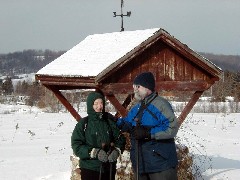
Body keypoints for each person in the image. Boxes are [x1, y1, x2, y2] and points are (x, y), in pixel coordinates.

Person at [117, 72, 179, 180]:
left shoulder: (161, 105)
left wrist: (148, 133)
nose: (135, 89)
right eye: (134, 87)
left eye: (138, 86)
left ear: (147, 87)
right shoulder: (137, 107)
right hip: (141, 163)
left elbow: (172, 127)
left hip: (160, 165)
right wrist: (113, 121)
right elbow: (127, 122)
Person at [71, 91, 126, 180]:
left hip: (109, 168)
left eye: (101, 103)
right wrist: (94, 152)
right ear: (90, 105)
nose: (99, 106)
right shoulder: (84, 124)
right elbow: (77, 146)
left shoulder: (109, 121)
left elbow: (120, 139)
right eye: (96, 103)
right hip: (90, 169)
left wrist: (117, 150)